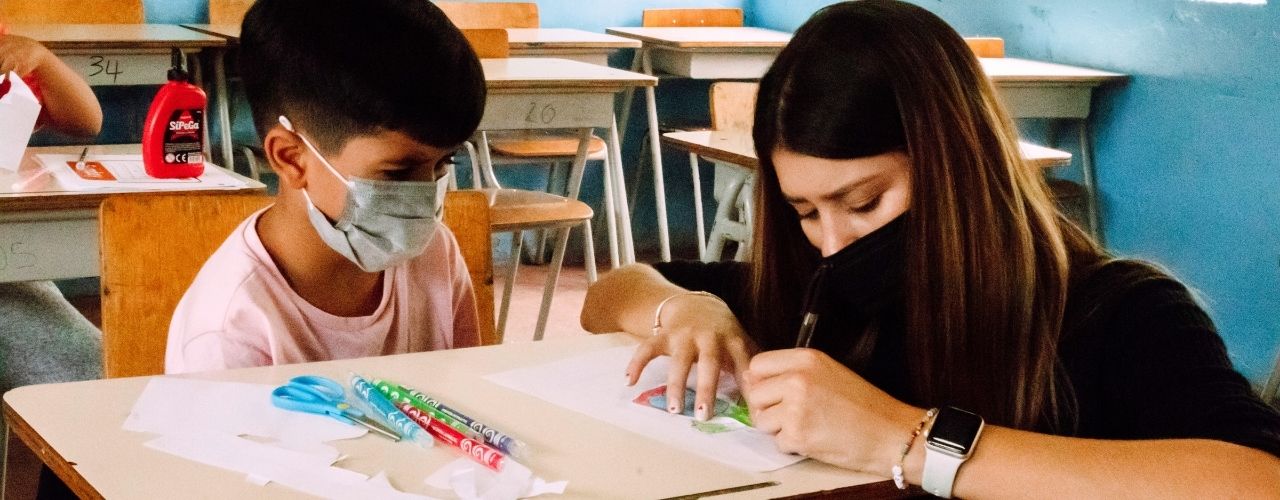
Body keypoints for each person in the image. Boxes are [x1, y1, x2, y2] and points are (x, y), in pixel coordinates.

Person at [581, 1, 1280, 497]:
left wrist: (907, 441)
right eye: (803, 212)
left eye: (864, 204)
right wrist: (685, 310)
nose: (833, 241)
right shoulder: (817, 292)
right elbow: (610, 294)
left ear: (955, 166)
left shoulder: (1116, 312)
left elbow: (1257, 480)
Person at [165, 0, 485, 373]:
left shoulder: (435, 254)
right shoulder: (229, 330)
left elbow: (468, 402)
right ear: (291, 158)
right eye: (397, 174)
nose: (427, 198)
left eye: (444, 163)